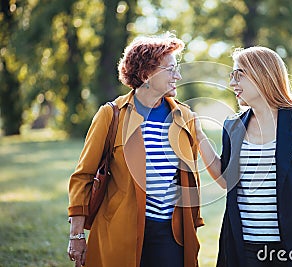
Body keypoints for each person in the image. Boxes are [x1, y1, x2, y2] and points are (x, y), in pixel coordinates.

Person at [67, 32, 204, 267]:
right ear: (146, 75)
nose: (178, 76)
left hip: (172, 236)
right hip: (121, 232)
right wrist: (77, 236)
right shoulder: (111, 115)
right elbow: (83, 177)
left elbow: (189, 177)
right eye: (170, 69)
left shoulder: (184, 117)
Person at [194, 46, 292, 267]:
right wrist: (199, 136)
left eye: (239, 75)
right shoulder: (233, 124)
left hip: (289, 247)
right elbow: (226, 180)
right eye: (232, 76)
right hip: (242, 246)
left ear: (261, 74)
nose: (232, 83)